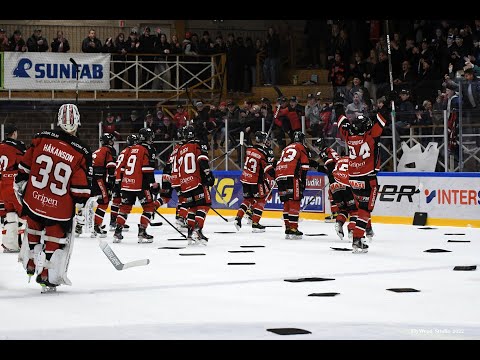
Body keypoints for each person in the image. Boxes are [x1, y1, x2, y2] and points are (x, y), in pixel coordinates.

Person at [14, 104, 92, 292]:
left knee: (33, 226)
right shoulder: (81, 151)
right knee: (53, 236)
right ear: (78, 122)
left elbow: (24, 167)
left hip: (34, 199)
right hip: (58, 207)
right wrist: (82, 206)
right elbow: (79, 188)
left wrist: (23, 185)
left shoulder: (41, 137)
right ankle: (46, 275)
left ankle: (31, 261)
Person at [337, 107, 386, 253]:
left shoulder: (348, 136)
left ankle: (359, 234)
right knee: (365, 211)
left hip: (353, 179)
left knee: (360, 210)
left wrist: (338, 103)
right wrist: (387, 103)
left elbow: (341, 121)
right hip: (368, 178)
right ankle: (357, 239)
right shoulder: (371, 135)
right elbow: (382, 119)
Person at [113, 128, 161, 243]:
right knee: (149, 207)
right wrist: (153, 183)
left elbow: (123, 167)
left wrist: (121, 182)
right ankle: (142, 232)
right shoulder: (149, 149)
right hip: (140, 184)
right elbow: (147, 169)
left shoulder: (130, 149)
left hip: (126, 183)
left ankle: (117, 232)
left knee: (124, 208)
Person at [177, 125, 215, 245]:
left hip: (184, 182)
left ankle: (190, 233)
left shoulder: (180, 149)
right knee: (204, 205)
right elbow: (202, 159)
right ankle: (198, 231)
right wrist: (208, 174)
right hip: (196, 180)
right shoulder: (198, 144)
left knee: (192, 208)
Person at [234, 131, 275, 233]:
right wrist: (275, 175)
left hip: (245, 178)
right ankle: (255, 223)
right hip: (256, 180)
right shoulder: (263, 152)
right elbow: (267, 168)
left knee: (248, 199)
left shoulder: (249, 150)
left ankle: (238, 218)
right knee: (262, 200)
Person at [275, 131, 311, 239]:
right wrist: (303, 182)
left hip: (279, 175)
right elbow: (305, 166)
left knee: (286, 202)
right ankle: (293, 228)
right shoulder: (301, 147)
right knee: (294, 201)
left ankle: (287, 227)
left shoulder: (286, 148)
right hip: (291, 176)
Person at [0, 123, 26, 253]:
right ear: (14, 133)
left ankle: (9, 244)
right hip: (14, 184)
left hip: (2, 185)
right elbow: (25, 164)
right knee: (24, 214)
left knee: (9, 215)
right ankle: (24, 244)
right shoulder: (17, 147)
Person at [109, 134, 137, 231]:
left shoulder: (123, 150)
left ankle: (113, 222)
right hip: (122, 178)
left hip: (116, 177)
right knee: (123, 202)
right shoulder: (131, 151)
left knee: (116, 201)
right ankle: (117, 222)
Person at [90, 133, 117, 237]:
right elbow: (111, 166)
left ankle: (80, 223)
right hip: (99, 178)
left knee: (87, 201)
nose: (112, 142)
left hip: (91, 177)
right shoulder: (109, 150)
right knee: (104, 201)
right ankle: (96, 226)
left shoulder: (98, 150)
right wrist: (111, 183)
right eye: (111, 140)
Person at [161, 127, 188, 228]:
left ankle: (151, 209)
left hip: (167, 173)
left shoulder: (176, 147)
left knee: (166, 198)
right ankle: (180, 218)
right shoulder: (185, 147)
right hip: (177, 176)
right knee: (185, 198)